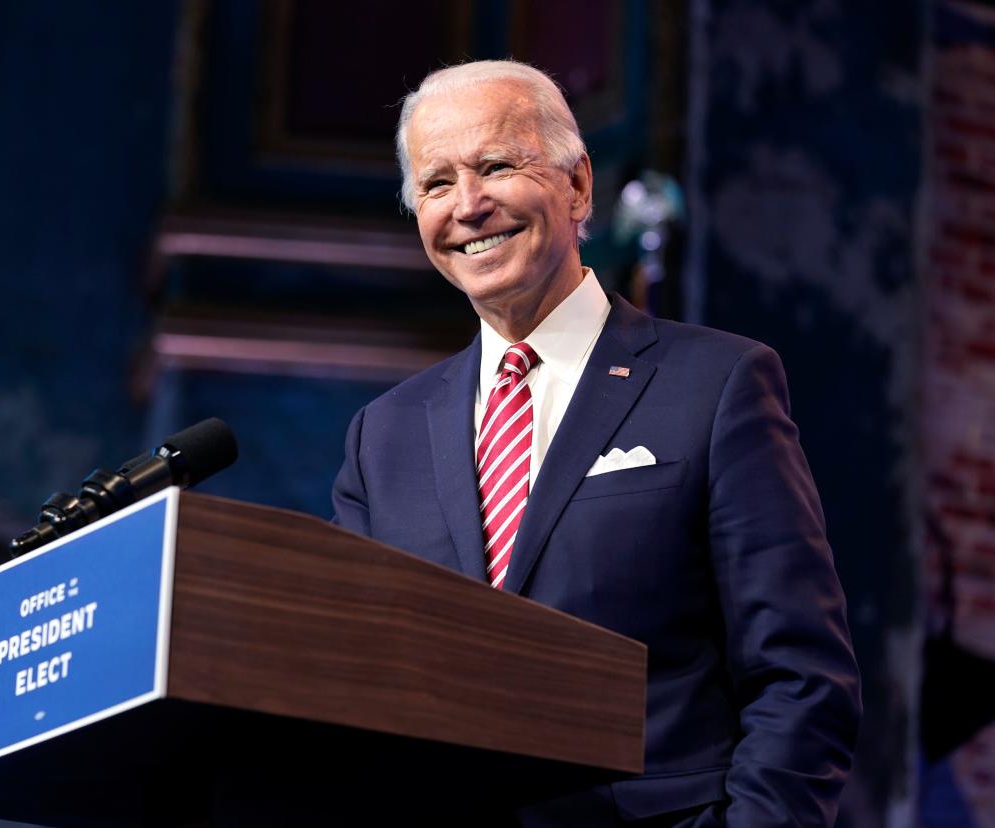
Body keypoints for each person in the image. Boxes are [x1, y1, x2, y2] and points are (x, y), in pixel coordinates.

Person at [332, 60, 861, 826]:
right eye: (437, 185)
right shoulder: (383, 437)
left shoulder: (718, 383)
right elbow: (357, 691)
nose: (469, 206)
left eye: (496, 167)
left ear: (578, 186)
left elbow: (801, 676)